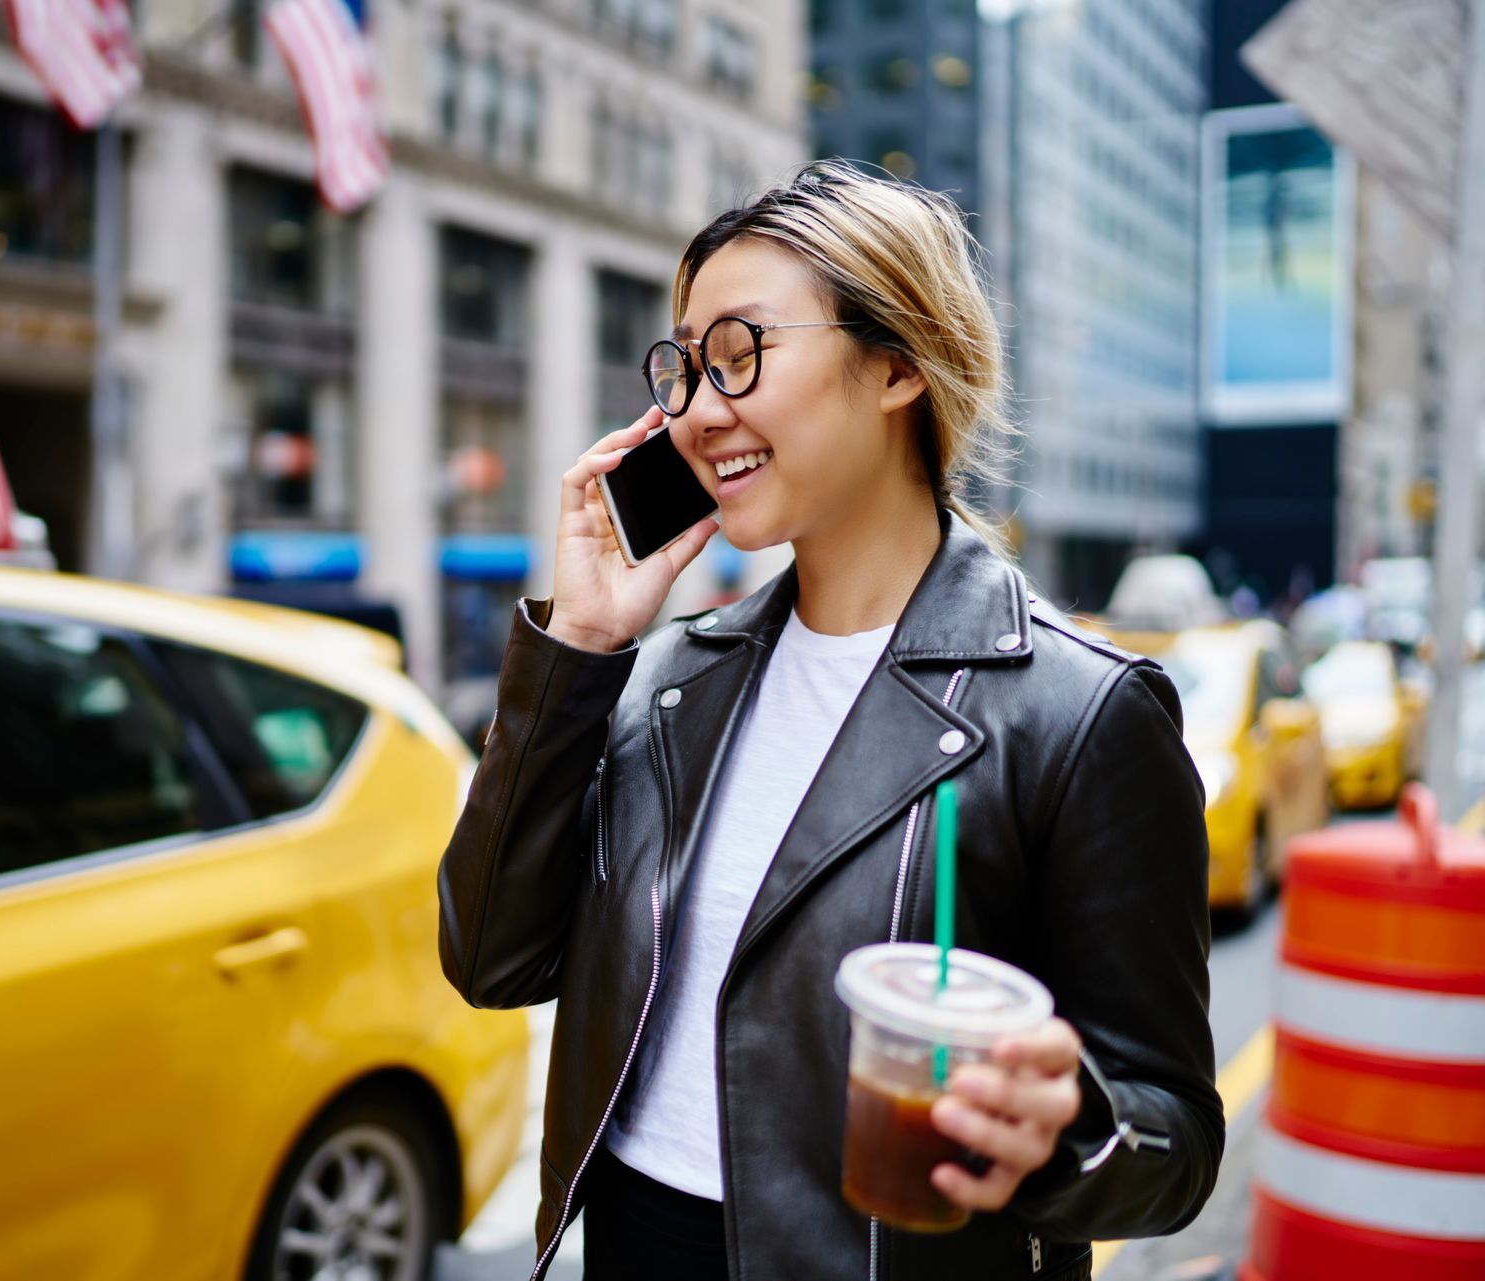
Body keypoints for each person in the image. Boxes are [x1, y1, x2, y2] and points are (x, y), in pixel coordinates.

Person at [436, 160, 1222, 1281]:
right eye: (684, 368)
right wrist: (581, 648)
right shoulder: (668, 680)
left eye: (739, 355)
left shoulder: (1080, 712)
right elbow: (490, 959)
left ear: (897, 362)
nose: (698, 413)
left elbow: (1175, 1140)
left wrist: (1061, 1132)